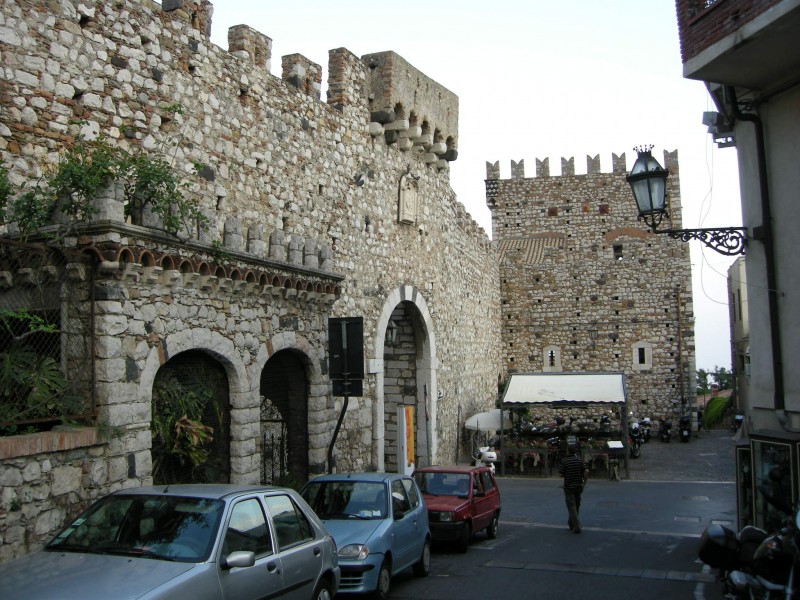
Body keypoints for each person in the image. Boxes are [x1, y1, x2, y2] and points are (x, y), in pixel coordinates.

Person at [558, 444, 589, 534]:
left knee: (571, 506)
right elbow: (586, 471)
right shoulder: (579, 460)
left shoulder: (565, 461)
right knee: (577, 504)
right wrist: (584, 483)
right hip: (578, 485)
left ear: (568, 451)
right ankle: (571, 523)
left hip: (569, 486)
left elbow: (560, 474)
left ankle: (577, 525)